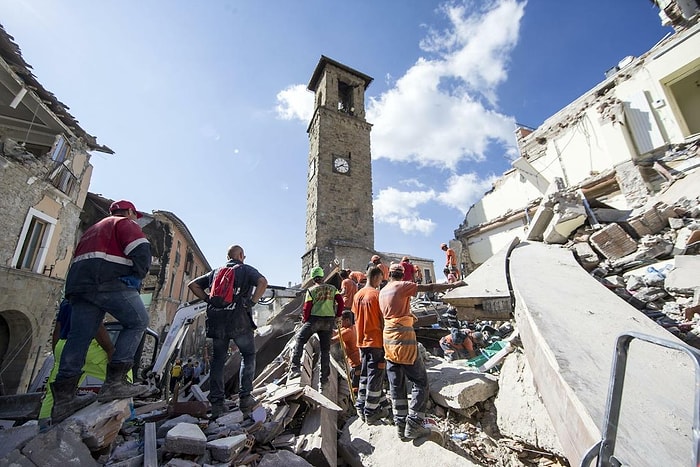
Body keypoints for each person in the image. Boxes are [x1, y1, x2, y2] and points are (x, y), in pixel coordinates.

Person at [51, 199, 151, 424]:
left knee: (79, 337)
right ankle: (114, 382)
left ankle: (63, 399)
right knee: (138, 321)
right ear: (130, 212)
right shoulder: (125, 223)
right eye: (135, 215)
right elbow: (142, 252)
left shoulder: (92, 230)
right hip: (106, 282)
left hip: (78, 287)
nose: (136, 220)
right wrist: (136, 276)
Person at [379, 262, 462, 440]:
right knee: (420, 381)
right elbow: (429, 286)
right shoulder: (402, 286)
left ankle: (401, 425)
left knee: (396, 384)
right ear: (402, 275)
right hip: (403, 340)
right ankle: (415, 425)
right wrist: (452, 285)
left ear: (390, 275)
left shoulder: (383, 291)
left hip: (388, 339)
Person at [188, 244, 268, 418]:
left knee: (218, 361)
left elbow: (192, 285)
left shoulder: (215, 272)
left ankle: (217, 404)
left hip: (217, 321)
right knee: (248, 355)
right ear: (240, 255)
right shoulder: (245, 270)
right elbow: (263, 282)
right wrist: (253, 302)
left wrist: (208, 300)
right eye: (243, 256)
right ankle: (245, 397)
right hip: (239, 321)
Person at [38, 299, 131, 426]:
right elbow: (96, 325)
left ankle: (44, 421)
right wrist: (110, 350)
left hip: (63, 344)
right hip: (87, 346)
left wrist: (58, 357)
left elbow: (57, 330)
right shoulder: (94, 294)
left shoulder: (68, 300)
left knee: (58, 386)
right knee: (121, 373)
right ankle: (128, 416)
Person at [289, 266, 344, 385]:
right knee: (325, 350)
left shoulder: (311, 290)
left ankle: (295, 368)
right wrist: (338, 315)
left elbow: (307, 307)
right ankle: (324, 378)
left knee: (300, 340)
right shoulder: (333, 288)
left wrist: (305, 319)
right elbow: (341, 301)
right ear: (323, 276)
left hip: (314, 320)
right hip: (328, 321)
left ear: (313, 278)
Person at [353, 266, 390, 424]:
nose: (380, 282)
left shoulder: (358, 295)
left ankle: (362, 406)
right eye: (381, 279)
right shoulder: (377, 295)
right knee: (376, 376)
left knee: (366, 374)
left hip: (362, 341)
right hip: (376, 340)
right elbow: (383, 320)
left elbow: (356, 317)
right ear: (375, 278)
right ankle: (370, 412)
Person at [332, 310, 361, 394]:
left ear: (347, 320)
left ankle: (356, 403)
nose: (339, 323)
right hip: (357, 361)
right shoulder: (352, 327)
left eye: (341, 320)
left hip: (356, 363)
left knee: (355, 386)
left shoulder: (348, 332)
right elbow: (336, 332)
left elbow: (332, 341)